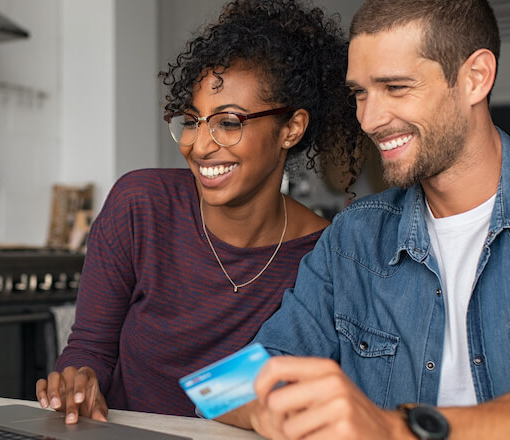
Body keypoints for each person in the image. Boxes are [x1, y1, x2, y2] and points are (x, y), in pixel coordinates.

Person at [220, 0, 510, 438]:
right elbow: (229, 387)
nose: (369, 119)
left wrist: (396, 429)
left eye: (395, 87)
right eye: (359, 92)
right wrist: (270, 407)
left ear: (475, 78)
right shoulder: (355, 237)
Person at [35, 0, 364, 424]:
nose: (201, 145)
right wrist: (77, 382)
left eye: (228, 122)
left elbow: (272, 388)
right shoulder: (140, 205)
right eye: (192, 121)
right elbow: (90, 348)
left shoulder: (324, 255)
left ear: (291, 128)